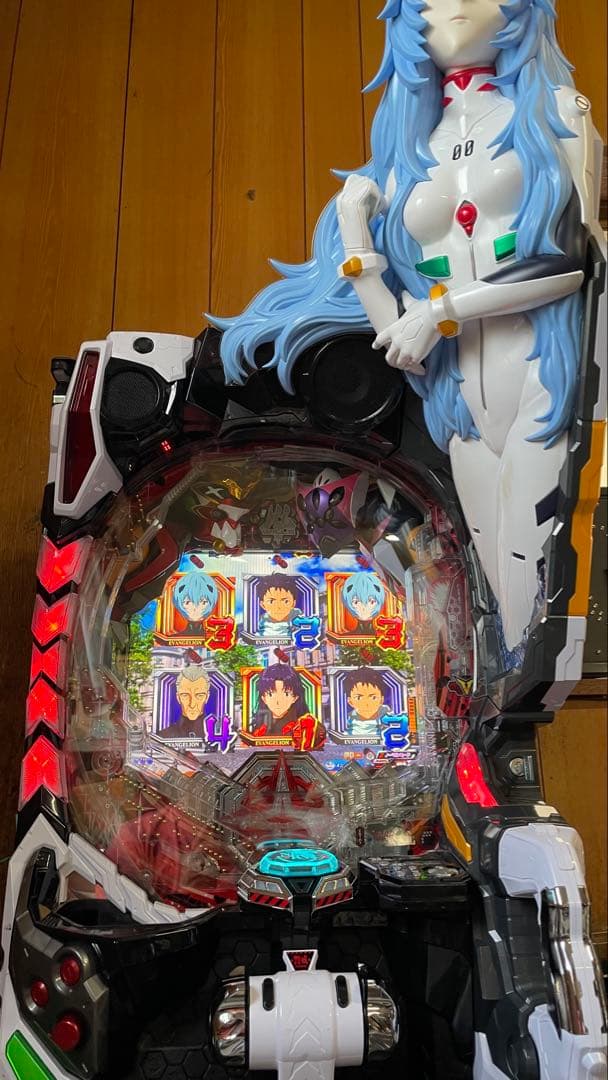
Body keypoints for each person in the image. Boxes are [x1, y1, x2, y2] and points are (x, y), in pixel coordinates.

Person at [213, 0, 598, 651]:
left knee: (541, 607)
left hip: (541, 370)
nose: (454, 7)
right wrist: (357, 236)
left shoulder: (557, 111)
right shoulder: (405, 158)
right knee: (507, 617)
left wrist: (440, 311)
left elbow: (571, 262)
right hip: (459, 402)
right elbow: (402, 345)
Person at [251, 663, 307, 736]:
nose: (278, 701)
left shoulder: (304, 726)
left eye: (286, 694)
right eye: (270, 694)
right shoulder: (260, 729)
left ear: (295, 698)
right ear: (263, 698)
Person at [160, 665, 210, 740]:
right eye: (185, 695)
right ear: (178, 698)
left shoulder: (220, 733)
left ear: (207, 697)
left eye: (199, 695)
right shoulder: (163, 736)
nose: (192, 704)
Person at [344, 667, 391, 738]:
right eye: (359, 698)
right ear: (350, 701)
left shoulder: (390, 719)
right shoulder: (347, 724)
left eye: (373, 697)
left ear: (381, 700)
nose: (366, 704)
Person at [256, 573, 303, 638]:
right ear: (263, 605)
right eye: (271, 601)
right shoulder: (261, 624)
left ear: (293, 603)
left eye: (285, 601)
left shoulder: (300, 619)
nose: (278, 607)